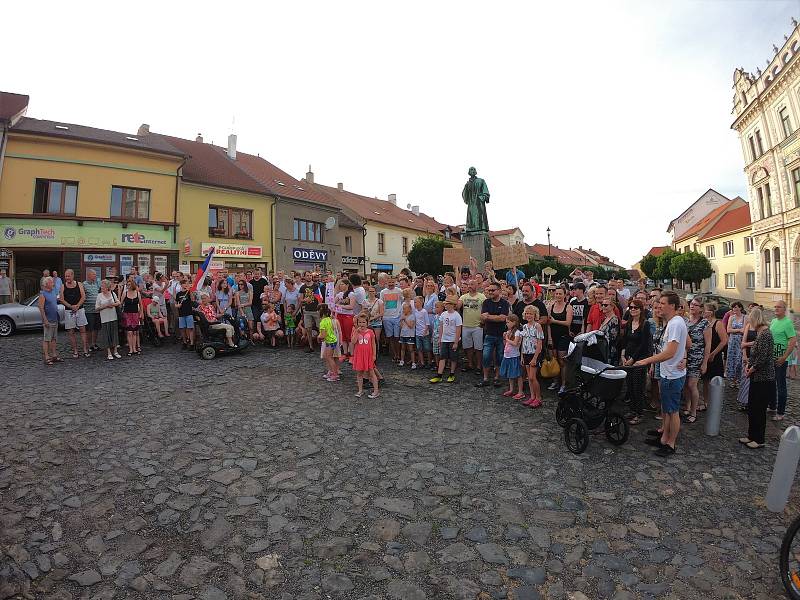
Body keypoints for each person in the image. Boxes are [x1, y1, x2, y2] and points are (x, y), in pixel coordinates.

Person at [634, 291, 688, 458]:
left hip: (672, 374)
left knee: (672, 411)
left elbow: (670, 352)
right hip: (667, 372)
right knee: (666, 408)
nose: (659, 306)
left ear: (672, 306)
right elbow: (685, 343)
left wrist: (646, 361)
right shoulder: (672, 322)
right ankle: (664, 436)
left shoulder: (675, 324)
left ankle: (670, 443)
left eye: (663, 303)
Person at [738, 307, 775, 449]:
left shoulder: (765, 334)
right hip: (755, 375)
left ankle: (759, 439)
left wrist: (751, 369)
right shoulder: (760, 332)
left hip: (764, 377)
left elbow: (763, 357)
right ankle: (751, 435)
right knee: (752, 407)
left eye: (750, 320)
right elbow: (756, 354)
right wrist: (749, 366)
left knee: (759, 409)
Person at [620, 299, 653, 425]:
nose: (633, 309)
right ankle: (633, 410)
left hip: (639, 360)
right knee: (630, 386)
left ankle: (639, 413)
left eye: (635, 308)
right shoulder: (629, 323)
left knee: (638, 387)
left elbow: (644, 345)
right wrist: (623, 354)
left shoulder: (645, 324)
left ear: (641, 310)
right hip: (628, 358)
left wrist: (633, 359)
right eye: (631, 307)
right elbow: (625, 340)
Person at [476, 283, 510, 388]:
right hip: (489, 333)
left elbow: (503, 318)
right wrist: (495, 317)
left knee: (499, 357)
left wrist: (488, 317)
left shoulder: (505, 303)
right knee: (486, 356)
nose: (490, 292)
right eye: (489, 290)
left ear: (499, 291)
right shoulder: (486, 302)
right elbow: (482, 317)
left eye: (493, 290)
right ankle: (485, 378)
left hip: (500, 334)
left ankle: (497, 378)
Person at [769, 300, 797, 422]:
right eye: (775, 307)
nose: (776, 309)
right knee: (771, 383)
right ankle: (772, 406)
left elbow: (792, 341)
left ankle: (780, 412)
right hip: (771, 358)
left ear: (784, 309)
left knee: (781, 386)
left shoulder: (788, 323)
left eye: (779, 307)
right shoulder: (774, 321)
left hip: (781, 359)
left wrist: (784, 357)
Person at [683, 298, 708, 424]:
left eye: (696, 305)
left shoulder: (704, 323)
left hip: (697, 357)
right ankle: (687, 407)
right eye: (691, 304)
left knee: (692, 385)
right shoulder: (686, 321)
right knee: (686, 385)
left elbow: (707, 345)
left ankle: (694, 412)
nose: (692, 306)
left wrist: (705, 362)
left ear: (701, 308)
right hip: (685, 357)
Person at [700, 303, 728, 406]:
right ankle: (706, 401)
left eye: (705, 310)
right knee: (705, 380)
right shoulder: (703, 323)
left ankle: (715, 401)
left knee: (715, 379)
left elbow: (724, 340)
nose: (703, 312)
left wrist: (714, 353)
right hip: (705, 355)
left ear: (710, 313)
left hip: (715, 356)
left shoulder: (717, 324)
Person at [547, 287, 573, 393]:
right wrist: (549, 338)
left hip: (563, 336)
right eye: (556, 293)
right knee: (554, 360)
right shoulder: (550, 306)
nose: (557, 295)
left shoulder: (568, 307)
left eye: (560, 294)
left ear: (565, 295)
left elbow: (568, 323)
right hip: (553, 336)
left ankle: (563, 384)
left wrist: (555, 321)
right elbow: (548, 324)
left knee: (562, 361)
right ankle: (555, 381)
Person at [59, 269, 89, 358]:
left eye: (68, 276)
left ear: (72, 275)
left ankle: (85, 349)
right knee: (71, 332)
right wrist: (71, 306)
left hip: (80, 310)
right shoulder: (63, 286)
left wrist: (77, 306)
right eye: (66, 276)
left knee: (83, 330)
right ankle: (75, 351)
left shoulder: (79, 284)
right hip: (69, 311)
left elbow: (83, 296)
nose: (67, 278)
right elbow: (61, 299)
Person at [430, 300, 461, 384]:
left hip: (452, 339)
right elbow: (441, 327)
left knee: (453, 358)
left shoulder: (456, 315)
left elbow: (458, 329)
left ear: (452, 305)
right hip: (444, 339)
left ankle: (452, 373)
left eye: (447, 304)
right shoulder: (443, 314)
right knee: (442, 357)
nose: (446, 305)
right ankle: (439, 375)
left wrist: (456, 342)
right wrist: (440, 338)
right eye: (445, 304)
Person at [458, 279, 486, 373]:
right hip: (466, 325)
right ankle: (470, 364)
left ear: (477, 285)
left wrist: (483, 321)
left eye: (472, 284)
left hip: (477, 326)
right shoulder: (463, 296)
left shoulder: (482, 296)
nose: (470, 286)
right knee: (468, 347)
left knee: (478, 347)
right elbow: (458, 306)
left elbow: (485, 310)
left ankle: (479, 366)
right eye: (469, 284)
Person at [520, 305, 544, 407]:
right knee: (529, 378)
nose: (528, 315)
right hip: (526, 353)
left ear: (535, 315)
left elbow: (540, 344)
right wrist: (522, 356)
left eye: (530, 313)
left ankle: (538, 398)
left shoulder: (537, 326)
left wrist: (535, 358)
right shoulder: (524, 326)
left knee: (532, 377)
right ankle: (532, 396)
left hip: (534, 354)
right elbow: (523, 341)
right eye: (527, 313)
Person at [352, 315, 379, 399]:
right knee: (359, 373)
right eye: (360, 322)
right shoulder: (356, 331)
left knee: (371, 372)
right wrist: (356, 332)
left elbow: (373, 344)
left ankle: (376, 390)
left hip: (368, 355)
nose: (361, 324)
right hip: (359, 355)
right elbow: (353, 341)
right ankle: (360, 390)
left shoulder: (370, 332)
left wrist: (374, 355)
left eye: (363, 322)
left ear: (367, 323)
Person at [500, 314, 525, 400]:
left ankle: (520, 392)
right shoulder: (509, 331)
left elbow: (515, 343)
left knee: (518, 374)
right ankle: (511, 389)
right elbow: (506, 344)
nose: (506, 324)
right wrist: (505, 338)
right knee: (510, 374)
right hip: (507, 355)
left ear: (514, 322)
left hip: (514, 356)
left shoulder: (517, 332)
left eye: (508, 322)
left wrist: (506, 338)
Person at [95, 280, 122, 360]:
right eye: (101, 286)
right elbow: (96, 308)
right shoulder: (99, 295)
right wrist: (105, 306)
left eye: (103, 286)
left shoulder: (113, 294)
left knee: (114, 334)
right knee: (106, 335)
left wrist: (112, 304)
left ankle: (115, 351)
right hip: (104, 318)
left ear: (107, 287)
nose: (101, 287)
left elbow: (118, 302)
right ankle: (109, 352)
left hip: (113, 317)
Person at [38, 277, 62, 365]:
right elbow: (41, 308)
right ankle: (47, 356)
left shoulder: (53, 292)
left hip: (55, 318)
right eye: (51, 282)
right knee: (47, 339)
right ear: (46, 284)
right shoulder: (43, 294)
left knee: (54, 338)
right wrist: (45, 320)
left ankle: (54, 355)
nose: (53, 283)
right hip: (48, 320)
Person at [380, 277, 402, 362]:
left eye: (393, 282)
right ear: (386, 282)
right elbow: (381, 304)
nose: (391, 284)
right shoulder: (383, 292)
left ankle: (398, 354)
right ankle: (394, 355)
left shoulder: (399, 291)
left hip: (397, 316)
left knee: (397, 337)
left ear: (395, 282)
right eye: (389, 282)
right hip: (386, 317)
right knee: (390, 337)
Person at [300, 272, 322, 354]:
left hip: (316, 310)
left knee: (320, 328)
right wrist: (304, 300)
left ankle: (322, 345)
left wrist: (320, 309)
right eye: (307, 276)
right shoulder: (303, 287)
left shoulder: (315, 286)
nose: (309, 277)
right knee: (308, 328)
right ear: (304, 277)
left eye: (310, 276)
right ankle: (311, 346)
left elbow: (319, 298)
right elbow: (300, 299)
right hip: (307, 310)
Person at [121, 278, 143, 356]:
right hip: (127, 314)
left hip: (135, 314)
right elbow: (121, 303)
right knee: (129, 332)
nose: (128, 286)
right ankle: (130, 349)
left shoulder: (137, 293)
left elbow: (140, 304)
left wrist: (141, 313)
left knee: (134, 332)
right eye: (127, 284)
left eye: (129, 284)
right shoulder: (125, 293)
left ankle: (134, 348)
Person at [318, 305, 340, 382]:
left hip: (329, 341)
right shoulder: (329, 319)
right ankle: (331, 372)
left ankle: (335, 374)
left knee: (329, 358)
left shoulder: (322, 322)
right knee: (326, 356)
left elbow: (323, 335)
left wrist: (319, 337)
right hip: (332, 340)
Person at [82, 269, 101, 351]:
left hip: (97, 310)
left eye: (95, 274)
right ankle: (89, 345)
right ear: (89, 275)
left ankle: (94, 343)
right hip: (88, 310)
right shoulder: (84, 285)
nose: (95, 276)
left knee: (96, 328)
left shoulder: (97, 284)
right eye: (93, 274)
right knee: (89, 329)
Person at [598, 299, 620, 365]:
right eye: (602, 305)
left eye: (606, 305)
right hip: (602, 349)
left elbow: (612, 338)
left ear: (612, 307)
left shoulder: (614, 319)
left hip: (610, 351)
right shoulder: (605, 318)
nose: (603, 307)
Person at [175, 281, 196, 349]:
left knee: (190, 328)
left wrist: (190, 291)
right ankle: (184, 342)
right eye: (183, 284)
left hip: (189, 313)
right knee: (182, 329)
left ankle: (192, 343)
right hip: (181, 313)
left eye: (186, 284)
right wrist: (177, 305)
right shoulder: (178, 294)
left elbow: (193, 299)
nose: (185, 285)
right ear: (181, 285)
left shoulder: (189, 292)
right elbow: (176, 303)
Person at [413, 296, 431, 369]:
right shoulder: (415, 311)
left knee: (427, 348)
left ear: (421, 303)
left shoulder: (424, 311)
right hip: (417, 333)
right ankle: (422, 362)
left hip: (424, 333)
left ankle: (429, 362)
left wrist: (425, 331)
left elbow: (427, 323)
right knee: (419, 348)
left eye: (416, 302)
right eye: (414, 302)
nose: (414, 304)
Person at [399, 302, 416, 367]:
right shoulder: (403, 316)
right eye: (403, 309)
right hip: (403, 334)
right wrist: (401, 321)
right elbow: (400, 326)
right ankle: (402, 360)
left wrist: (405, 320)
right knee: (402, 348)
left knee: (411, 349)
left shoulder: (412, 316)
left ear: (409, 309)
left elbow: (411, 326)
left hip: (410, 335)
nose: (403, 310)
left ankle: (413, 362)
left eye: (405, 309)